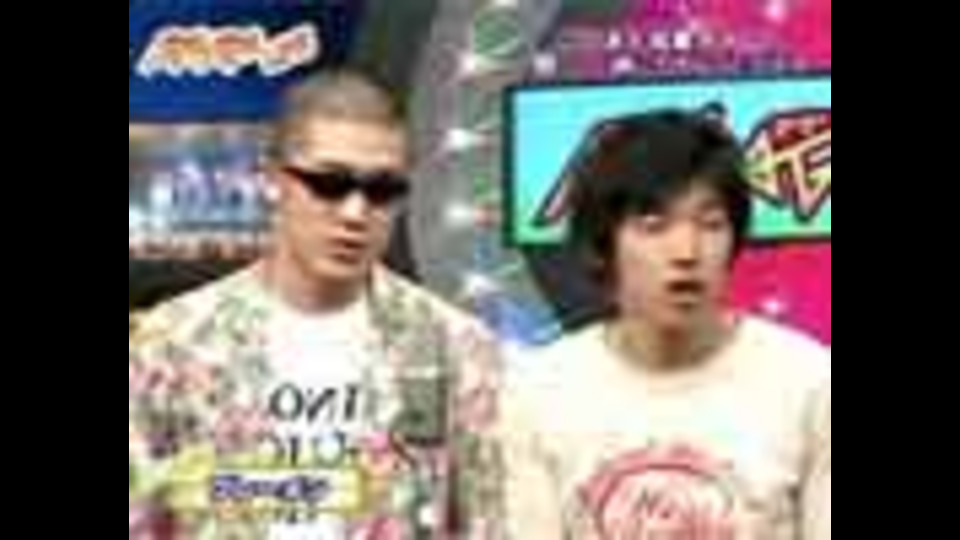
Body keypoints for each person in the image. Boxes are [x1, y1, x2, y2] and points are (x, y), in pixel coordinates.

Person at [129, 70, 503, 539]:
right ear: (271, 178)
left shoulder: (457, 347)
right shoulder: (172, 342)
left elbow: (487, 523)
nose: (354, 213)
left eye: (382, 190)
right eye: (328, 184)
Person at [504, 109, 831, 539]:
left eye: (710, 225)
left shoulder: (808, 382)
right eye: (654, 226)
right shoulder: (538, 393)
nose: (686, 252)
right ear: (605, 245)